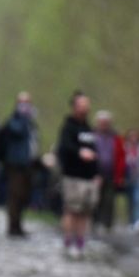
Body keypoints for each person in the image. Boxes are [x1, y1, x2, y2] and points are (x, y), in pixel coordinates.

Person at [56, 91, 100, 259]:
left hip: (89, 177)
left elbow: (96, 152)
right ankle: (69, 240)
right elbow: (64, 148)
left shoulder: (88, 128)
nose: (85, 108)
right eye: (82, 105)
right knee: (72, 210)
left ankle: (81, 242)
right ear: (75, 107)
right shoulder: (68, 127)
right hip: (73, 176)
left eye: (87, 105)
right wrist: (80, 152)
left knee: (85, 212)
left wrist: (97, 173)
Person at [0, 91, 40, 237]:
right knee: (15, 195)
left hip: (27, 164)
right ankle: (13, 226)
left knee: (24, 195)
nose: (25, 106)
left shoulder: (30, 122)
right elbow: (16, 131)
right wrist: (24, 117)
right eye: (22, 102)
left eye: (27, 103)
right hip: (15, 164)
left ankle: (18, 224)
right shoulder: (15, 120)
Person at [92, 111, 126, 233]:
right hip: (95, 172)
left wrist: (121, 174)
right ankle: (95, 222)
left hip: (112, 173)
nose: (104, 124)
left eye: (106, 122)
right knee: (95, 199)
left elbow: (121, 156)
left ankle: (108, 224)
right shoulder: (92, 135)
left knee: (109, 199)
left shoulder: (116, 137)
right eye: (102, 122)